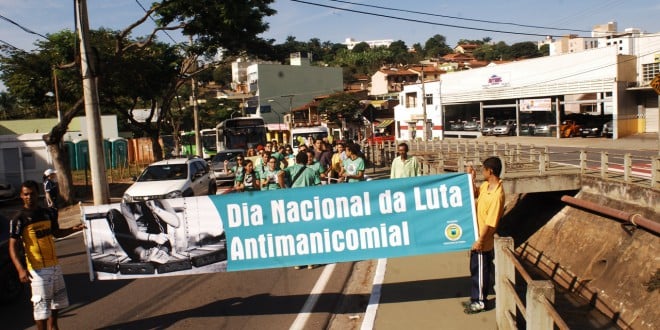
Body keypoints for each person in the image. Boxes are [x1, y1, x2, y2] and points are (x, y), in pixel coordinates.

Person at [8, 180, 84, 330]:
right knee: (41, 310)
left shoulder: (48, 213)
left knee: (56, 304)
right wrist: (20, 269)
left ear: (38, 194)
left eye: (33, 194)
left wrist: (76, 228)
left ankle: (53, 327)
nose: (30, 197)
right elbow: (12, 246)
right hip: (37, 270)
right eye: (26, 194)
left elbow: (56, 233)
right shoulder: (19, 218)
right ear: (21, 196)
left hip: (55, 266)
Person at [464, 156, 505, 314]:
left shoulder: (497, 195)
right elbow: (475, 193)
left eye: (484, 169)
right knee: (475, 269)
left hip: (483, 240)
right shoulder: (487, 185)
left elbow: (491, 223)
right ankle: (476, 298)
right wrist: (472, 178)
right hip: (476, 236)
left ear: (491, 171)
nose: (482, 171)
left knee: (481, 270)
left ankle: (480, 301)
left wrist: (480, 240)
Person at [278, 152, 319, 269]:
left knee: (296, 233)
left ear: (296, 160)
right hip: (308, 205)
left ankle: (297, 262)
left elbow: (280, 174)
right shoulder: (311, 171)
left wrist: (283, 189)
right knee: (309, 233)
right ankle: (310, 261)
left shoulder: (291, 169)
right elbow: (319, 187)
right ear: (306, 160)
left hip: (293, 205)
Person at [106, 199, 180, 265]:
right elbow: (134, 233)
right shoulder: (126, 203)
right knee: (112, 214)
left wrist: (155, 209)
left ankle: (162, 251)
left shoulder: (157, 198)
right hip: (136, 246)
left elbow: (176, 223)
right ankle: (143, 254)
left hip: (159, 243)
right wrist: (154, 237)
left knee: (149, 204)